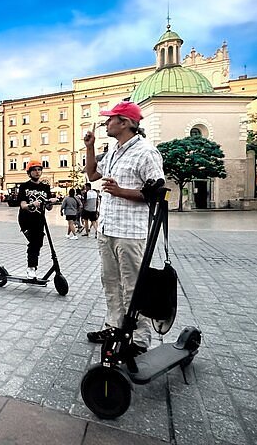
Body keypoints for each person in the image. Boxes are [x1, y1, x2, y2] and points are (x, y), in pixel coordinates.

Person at [84, 101, 165, 356]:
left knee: (133, 287)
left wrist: (122, 192)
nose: (106, 123)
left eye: (111, 119)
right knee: (110, 282)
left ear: (126, 123)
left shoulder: (146, 152)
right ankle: (114, 326)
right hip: (107, 229)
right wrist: (89, 147)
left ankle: (139, 340)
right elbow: (92, 175)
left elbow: (157, 193)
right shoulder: (114, 151)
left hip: (130, 233)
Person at [17, 160, 57, 278]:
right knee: (34, 242)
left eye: (39, 169)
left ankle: (32, 267)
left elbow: (48, 208)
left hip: (39, 220)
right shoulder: (24, 186)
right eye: (34, 170)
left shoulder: (45, 187)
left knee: (38, 243)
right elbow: (23, 205)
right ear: (29, 173)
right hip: (26, 220)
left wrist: (51, 202)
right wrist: (31, 204)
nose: (37, 172)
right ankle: (31, 268)